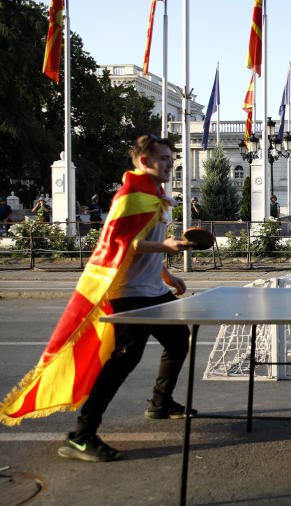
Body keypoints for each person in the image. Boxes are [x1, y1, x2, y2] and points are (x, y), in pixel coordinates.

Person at [56, 134, 196, 462]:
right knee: (124, 360)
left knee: (178, 343)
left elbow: (143, 242)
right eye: (162, 158)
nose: (169, 164)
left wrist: (165, 274)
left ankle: (160, 404)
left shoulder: (154, 195)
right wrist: (166, 247)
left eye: (171, 159)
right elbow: (118, 244)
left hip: (154, 290)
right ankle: (81, 434)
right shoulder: (131, 195)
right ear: (144, 161)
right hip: (129, 292)